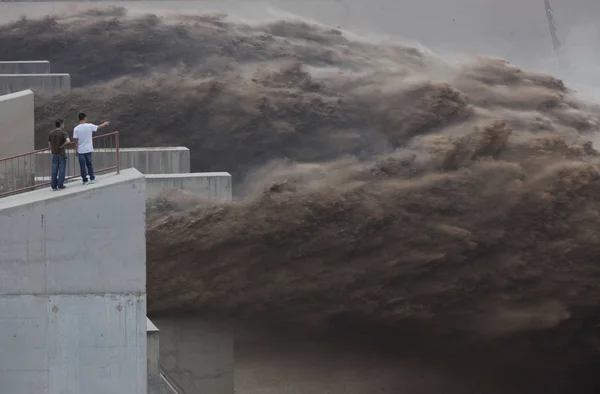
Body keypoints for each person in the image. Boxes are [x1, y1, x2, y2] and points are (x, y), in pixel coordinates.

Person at [73, 112, 110, 185]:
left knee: (82, 166)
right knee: (89, 164)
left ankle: (84, 180)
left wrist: (76, 149)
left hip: (81, 150)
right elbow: (98, 127)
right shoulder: (89, 126)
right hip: (88, 149)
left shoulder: (76, 129)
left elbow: (75, 140)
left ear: (79, 119)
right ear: (85, 118)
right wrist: (105, 123)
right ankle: (92, 178)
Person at [47, 119, 72, 191]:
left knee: (54, 170)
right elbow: (68, 141)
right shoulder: (63, 133)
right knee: (61, 170)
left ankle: (53, 186)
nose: (64, 125)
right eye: (63, 124)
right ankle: (60, 185)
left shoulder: (51, 133)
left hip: (54, 154)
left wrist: (51, 148)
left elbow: (49, 142)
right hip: (61, 154)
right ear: (61, 125)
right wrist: (62, 145)